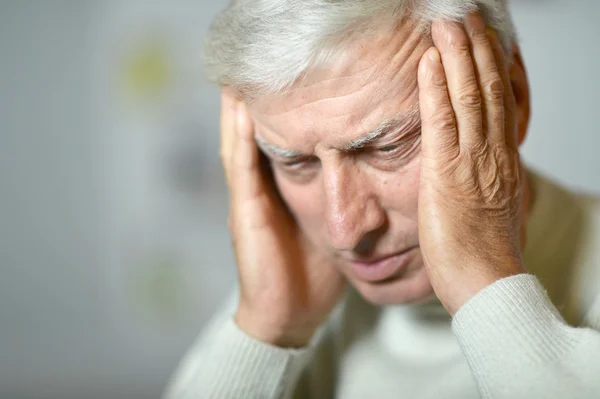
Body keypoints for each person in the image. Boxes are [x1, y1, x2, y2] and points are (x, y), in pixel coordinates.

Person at [165, 1, 600, 398]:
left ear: (513, 98)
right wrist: (266, 331)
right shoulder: (288, 298)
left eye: (389, 147)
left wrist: (486, 287)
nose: (344, 231)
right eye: (296, 163)